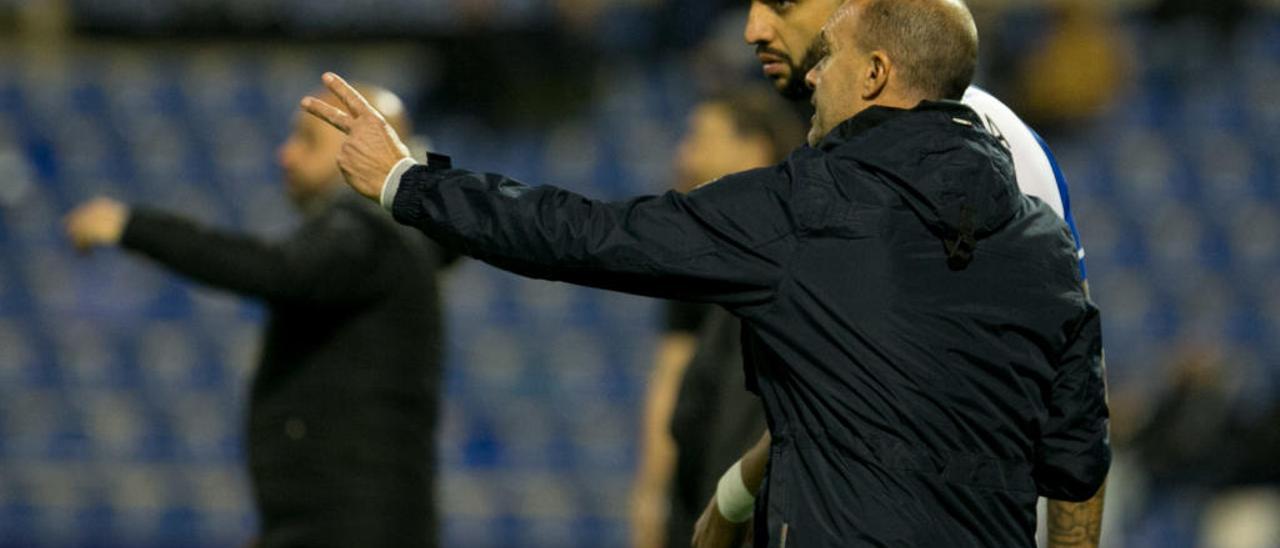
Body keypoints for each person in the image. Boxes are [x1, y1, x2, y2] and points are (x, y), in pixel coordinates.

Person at [302, 0, 1111, 544]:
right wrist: (734, 496)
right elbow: (1075, 459)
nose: (815, 77)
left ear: (873, 75)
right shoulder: (1041, 241)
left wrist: (407, 184)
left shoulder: (808, 203)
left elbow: (586, 235)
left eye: (828, 58)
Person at [743, 0, 1108, 546]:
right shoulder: (835, 131)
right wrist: (735, 492)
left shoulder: (988, 139)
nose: (754, 28)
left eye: (782, 3)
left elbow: (1072, 385)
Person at [64, 84, 452, 548]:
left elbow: (272, 269)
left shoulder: (369, 235)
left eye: (308, 140)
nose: (285, 156)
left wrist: (132, 226)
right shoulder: (383, 246)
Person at [630, 89, 805, 548]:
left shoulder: (799, 251)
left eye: (701, 138)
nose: (684, 155)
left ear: (755, 149)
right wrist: (653, 492)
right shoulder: (693, 252)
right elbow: (671, 373)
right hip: (707, 479)